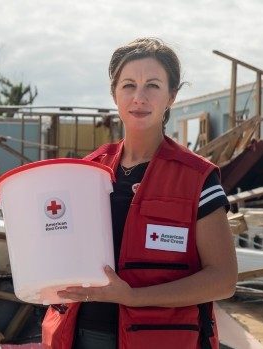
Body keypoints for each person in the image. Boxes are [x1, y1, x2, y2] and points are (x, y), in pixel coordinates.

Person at [42, 37, 238, 349]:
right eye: (129, 85)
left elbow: (223, 279)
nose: (139, 97)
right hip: (82, 335)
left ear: (171, 96)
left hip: (159, 339)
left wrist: (134, 297)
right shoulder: (86, 173)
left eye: (153, 86)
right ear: (114, 94)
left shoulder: (197, 179)